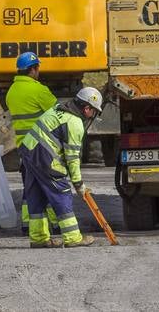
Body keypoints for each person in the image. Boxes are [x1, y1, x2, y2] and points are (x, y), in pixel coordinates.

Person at [19, 86, 103, 249]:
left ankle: (38, 238)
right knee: (61, 193)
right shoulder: (74, 123)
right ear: (86, 108)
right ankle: (72, 238)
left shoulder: (58, 109)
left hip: (28, 153)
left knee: (36, 196)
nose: (93, 115)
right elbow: (72, 158)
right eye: (94, 111)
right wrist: (78, 184)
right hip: (44, 158)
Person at [6, 52, 57, 224]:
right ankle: (56, 222)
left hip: (23, 147)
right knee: (50, 184)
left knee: (30, 186)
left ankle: (28, 223)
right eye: (37, 68)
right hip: (42, 146)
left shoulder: (11, 92)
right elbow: (58, 114)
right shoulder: (38, 90)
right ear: (33, 69)